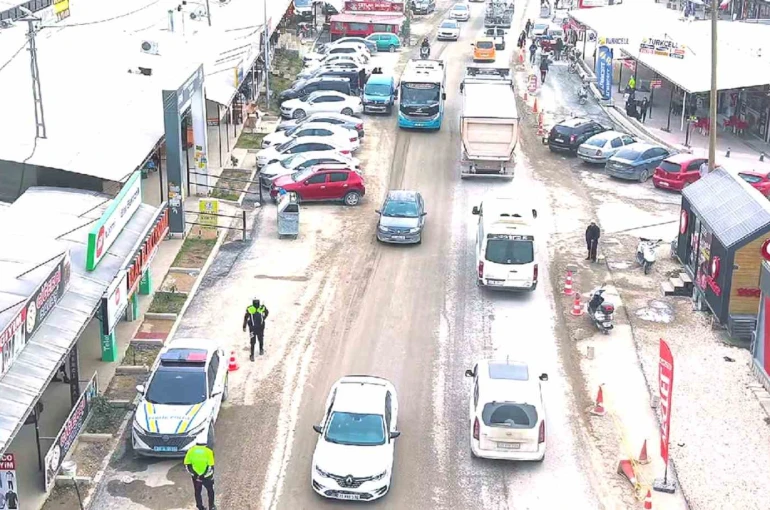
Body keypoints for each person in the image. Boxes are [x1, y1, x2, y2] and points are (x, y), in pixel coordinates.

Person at [184, 439, 216, 510]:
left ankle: (200, 507)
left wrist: (195, 475)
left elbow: (187, 465)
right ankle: (211, 507)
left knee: (197, 492)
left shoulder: (190, 451)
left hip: (195, 477)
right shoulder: (209, 451)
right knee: (210, 491)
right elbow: (210, 466)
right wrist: (203, 475)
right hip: (207, 477)